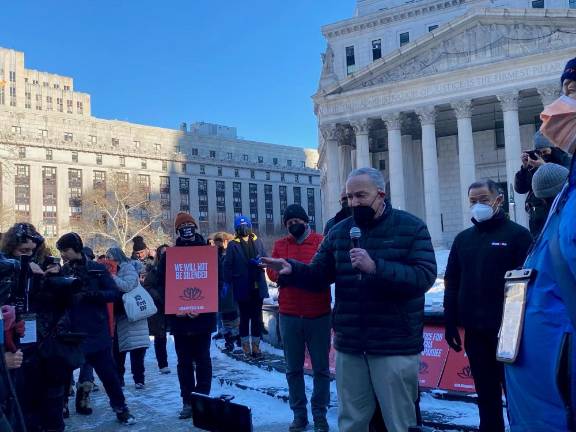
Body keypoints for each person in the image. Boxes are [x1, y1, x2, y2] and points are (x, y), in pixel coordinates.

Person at [263, 167, 436, 432]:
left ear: (381, 194)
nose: (354, 202)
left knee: (399, 423)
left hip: (393, 344)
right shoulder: (340, 231)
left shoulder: (411, 227)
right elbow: (319, 274)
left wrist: (376, 267)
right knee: (352, 421)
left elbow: (424, 276)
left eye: (361, 196)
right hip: (351, 345)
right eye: (349, 197)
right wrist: (293, 269)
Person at [505, 56, 576, 431]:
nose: (559, 110)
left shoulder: (565, 185)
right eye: (566, 92)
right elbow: (520, 188)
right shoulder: (563, 198)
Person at [443, 179, 532, 432]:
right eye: (473, 201)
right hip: (476, 332)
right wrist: (451, 322)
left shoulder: (518, 236)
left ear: (498, 200)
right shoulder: (463, 240)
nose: (478, 205)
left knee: (517, 396)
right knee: (486, 396)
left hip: (511, 334)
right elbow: (452, 282)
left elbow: (526, 284)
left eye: (483, 199)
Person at [56, 233, 135, 425]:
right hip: (71, 332)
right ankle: (62, 407)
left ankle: (121, 408)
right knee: (63, 375)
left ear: (76, 249)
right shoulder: (63, 271)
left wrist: (93, 294)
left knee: (109, 375)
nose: (63, 255)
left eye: (65, 251)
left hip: (96, 331)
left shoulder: (97, 269)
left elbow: (114, 294)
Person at [0, 223, 71, 432]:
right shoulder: (8, 270)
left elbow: (65, 306)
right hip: (16, 355)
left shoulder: (42, 271)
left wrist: (55, 279)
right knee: (22, 415)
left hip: (47, 353)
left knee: (52, 416)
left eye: (32, 251)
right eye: (23, 251)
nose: (28, 256)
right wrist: (19, 268)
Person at [267, 204, 331, 432]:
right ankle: (299, 414)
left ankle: (320, 414)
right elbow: (272, 271)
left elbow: (324, 270)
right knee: (293, 369)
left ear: (306, 221)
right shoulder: (280, 245)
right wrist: (282, 273)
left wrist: (295, 272)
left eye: (297, 221)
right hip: (290, 315)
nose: (293, 225)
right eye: (289, 223)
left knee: (321, 369)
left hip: (319, 315)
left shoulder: (320, 241)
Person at [157, 212, 216, 420]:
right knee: (183, 362)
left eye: (190, 225)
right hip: (179, 319)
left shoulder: (210, 252)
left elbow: (217, 283)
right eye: (183, 226)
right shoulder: (168, 256)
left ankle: (202, 399)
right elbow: (161, 285)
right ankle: (187, 401)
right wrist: (175, 306)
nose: (187, 229)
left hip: (204, 317)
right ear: (177, 231)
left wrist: (204, 304)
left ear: (196, 227)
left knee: (203, 360)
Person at [223, 215, 269, 358]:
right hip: (242, 286)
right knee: (244, 317)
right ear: (237, 229)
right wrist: (226, 282)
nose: (244, 229)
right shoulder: (232, 245)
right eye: (240, 227)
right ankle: (245, 346)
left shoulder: (258, 241)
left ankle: (256, 347)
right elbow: (227, 266)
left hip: (257, 285)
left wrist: (260, 262)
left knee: (257, 317)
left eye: (246, 226)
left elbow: (265, 259)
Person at [514, 131, 571, 237]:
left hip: (560, 212)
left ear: (554, 149)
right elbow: (520, 188)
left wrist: (544, 166)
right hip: (537, 217)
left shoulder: (566, 161)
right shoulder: (534, 165)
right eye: (539, 153)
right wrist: (525, 168)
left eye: (545, 152)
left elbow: (567, 180)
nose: (542, 156)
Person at [107, 247, 150, 389]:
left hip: (133, 314)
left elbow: (127, 286)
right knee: (118, 351)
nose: (108, 259)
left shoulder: (127, 268)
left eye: (110, 256)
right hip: (119, 315)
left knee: (137, 349)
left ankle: (139, 379)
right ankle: (119, 379)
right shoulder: (112, 269)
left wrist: (112, 277)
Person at [142, 244, 171, 374]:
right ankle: (163, 364)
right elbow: (148, 286)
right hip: (159, 306)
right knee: (160, 336)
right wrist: (158, 296)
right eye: (163, 253)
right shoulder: (154, 270)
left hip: (174, 305)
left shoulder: (176, 268)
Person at [213, 232, 239, 352]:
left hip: (231, 289)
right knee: (225, 318)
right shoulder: (214, 255)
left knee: (233, 317)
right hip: (220, 289)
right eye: (216, 242)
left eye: (220, 241)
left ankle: (235, 338)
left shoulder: (232, 252)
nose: (217, 244)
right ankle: (229, 340)